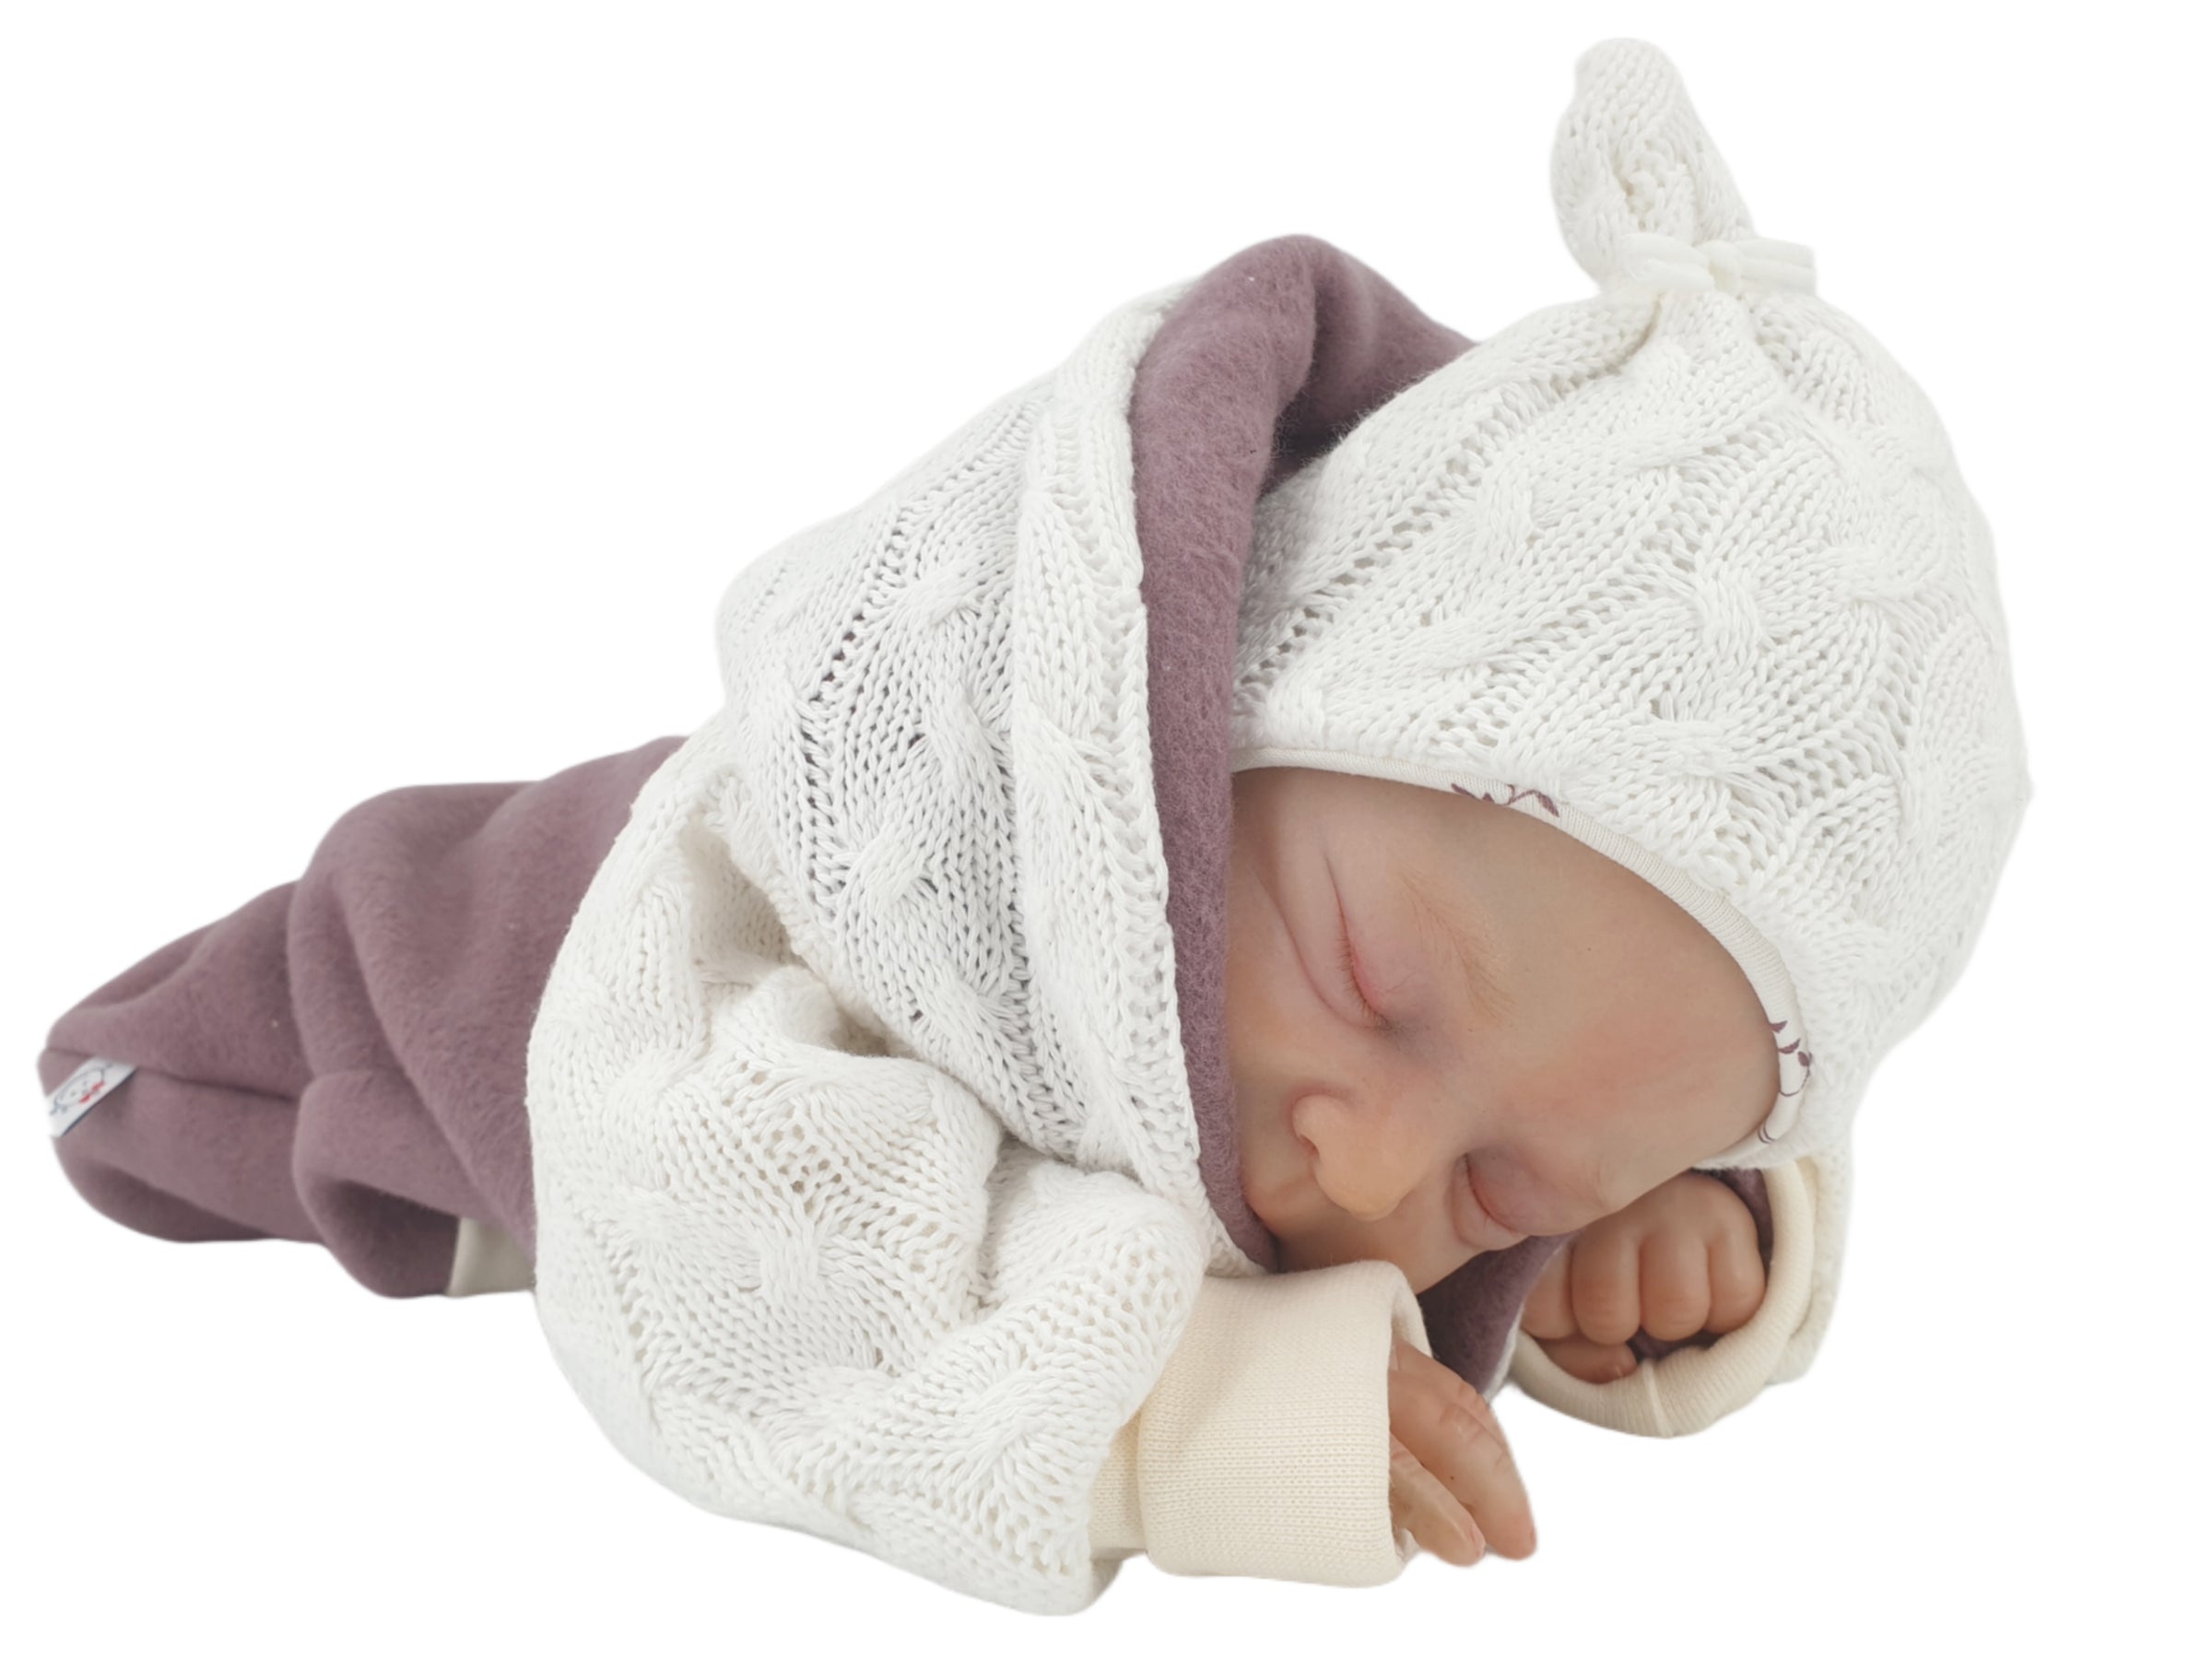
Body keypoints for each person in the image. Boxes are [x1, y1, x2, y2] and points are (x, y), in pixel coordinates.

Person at [35, 39, 2030, 1614]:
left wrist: (1674, 1226)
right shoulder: (794, 910)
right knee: (365, 1065)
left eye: (1503, 1186)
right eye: (1371, 983)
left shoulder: (1528, 964)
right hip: (459, 998)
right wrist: (1183, 1404)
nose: (1367, 1164)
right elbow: (718, 1262)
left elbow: (1644, 1040)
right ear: (1215, 705)